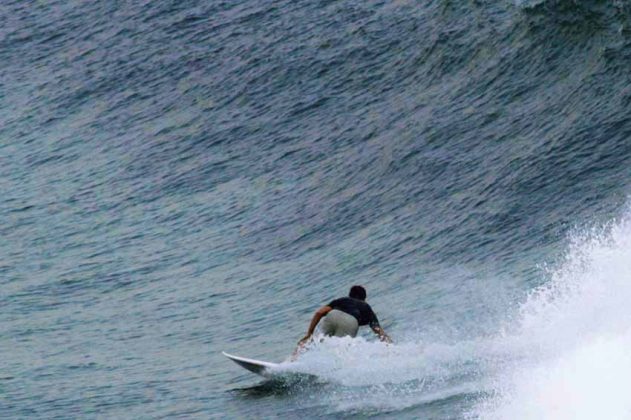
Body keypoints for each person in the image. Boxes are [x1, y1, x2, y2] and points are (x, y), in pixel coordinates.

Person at [297, 285, 392, 349]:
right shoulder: (366, 307)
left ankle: (293, 361)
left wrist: (309, 334)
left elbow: (319, 313)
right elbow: (379, 332)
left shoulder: (342, 300)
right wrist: (391, 347)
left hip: (333, 315)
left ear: (350, 295)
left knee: (317, 343)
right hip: (350, 322)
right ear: (364, 298)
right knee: (340, 350)